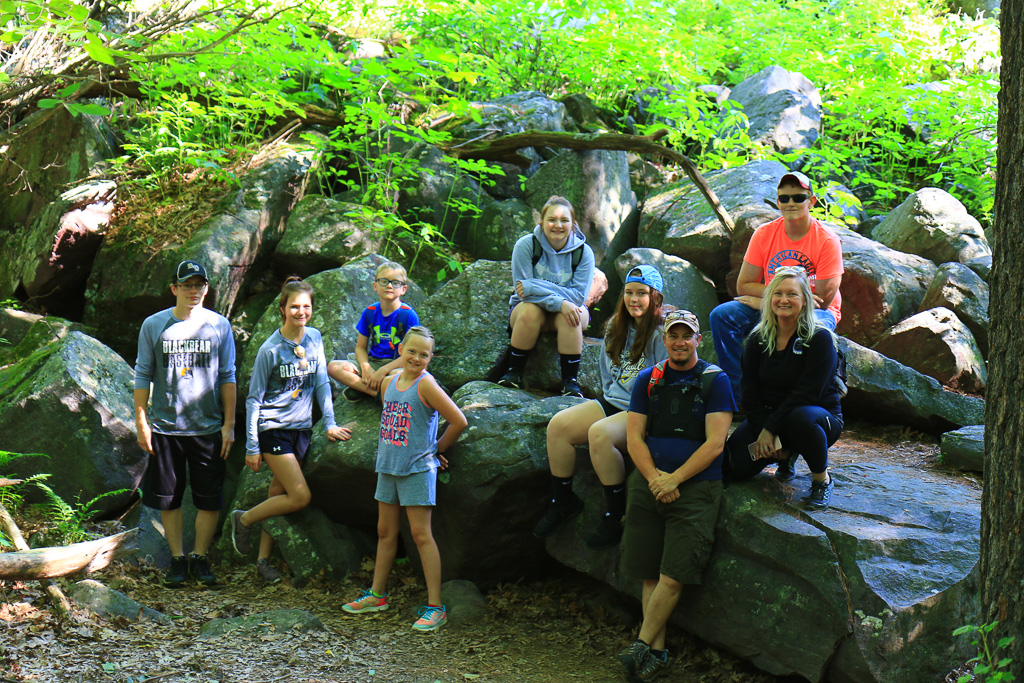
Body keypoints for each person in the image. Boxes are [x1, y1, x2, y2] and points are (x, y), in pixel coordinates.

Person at [618, 310, 735, 682]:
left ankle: (639, 644)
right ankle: (657, 652)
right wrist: (654, 478)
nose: (680, 342)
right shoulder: (647, 380)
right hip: (648, 484)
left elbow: (716, 443)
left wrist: (675, 480)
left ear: (698, 339)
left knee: (673, 574)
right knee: (649, 572)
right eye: (674, 336)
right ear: (664, 340)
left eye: (687, 336)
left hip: (696, 488)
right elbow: (634, 436)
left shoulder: (715, 382)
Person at [533, 265, 669, 550]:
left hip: (643, 410)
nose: (634, 299)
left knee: (600, 434)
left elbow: (664, 385)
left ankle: (614, 513)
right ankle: (563, 500)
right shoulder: (615, 327)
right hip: (613, 401)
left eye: (642, 293)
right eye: (629, 292)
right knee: (558, 425)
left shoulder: (661, 334)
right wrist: (609, 400)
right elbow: (607, 376)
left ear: (655, 297)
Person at [342, 326, 468, 632]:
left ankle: (435, 606)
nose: (417, 358)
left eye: (424, 354)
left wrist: (436, 449)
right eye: (412, 351)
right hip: (388, 466)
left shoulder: (428, 385)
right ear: (401, 350)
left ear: (430, 358)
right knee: (385, 531)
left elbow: (458, 420)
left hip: (416, 469)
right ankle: (376, 595)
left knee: (420, 534)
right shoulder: (389, 384)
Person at [230, 276, 352, 583]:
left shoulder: (314, 338)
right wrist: (252, 446)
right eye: (294, 306)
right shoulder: (269, 350)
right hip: (274, 429)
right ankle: (243, 519)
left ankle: (262, 562)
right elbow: (254, 399)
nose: (301, 312)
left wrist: (330, 422)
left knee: (278, 491)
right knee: (299, 496)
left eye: (306, 306)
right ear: (282, 309)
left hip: (302, 430)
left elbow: (322, 382)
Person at [134, 259, 236, 587]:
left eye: (199, 285)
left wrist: (229, 424)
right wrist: (141, 421)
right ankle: (178, 559)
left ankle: (200, 559)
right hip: (165, 427)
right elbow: (143, 373)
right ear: (174, 289)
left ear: (206, 288)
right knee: (169, 497)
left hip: (208, 427)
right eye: (187, 285)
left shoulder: (219, 325)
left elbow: (227, 376)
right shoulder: (154, 325)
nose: (194, 291)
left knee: (209, 497)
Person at [709, 171, 844, 403]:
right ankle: (738, 398)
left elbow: (822, 299)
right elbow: (743, 285)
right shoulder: (764, 234)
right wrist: (772, 301)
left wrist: (766, 300)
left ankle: (798, 402)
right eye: (784, 198)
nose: (790, 203)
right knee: (723, 315)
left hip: (815, 312)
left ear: (811, 201)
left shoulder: (827, 240)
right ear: (778, 201)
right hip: (777, 304)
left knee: (815, 330)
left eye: (798, 198)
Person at [724, 267, 843, 509]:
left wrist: (770, 429)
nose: (784, 300)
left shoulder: (819, 339)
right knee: (733, 468)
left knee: (800, 418)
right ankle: (787, 453)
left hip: (816, 419)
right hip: (770, 417)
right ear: (769, 299)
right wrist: (762, 429)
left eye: (792, 294)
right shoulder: (758, 339)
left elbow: (807, 394)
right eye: (778, 293)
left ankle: (822, 479)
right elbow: (748, 389)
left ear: (805, 300)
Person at [497, 195, 596, 398]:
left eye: (564, 220)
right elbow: (522, 293)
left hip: (570, 310)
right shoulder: (526, 246)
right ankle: (514, 373)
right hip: (531, 311)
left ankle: (570, 382)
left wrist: (534, 286)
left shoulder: (584, 253)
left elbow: (577, 297)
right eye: (552, 219)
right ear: (541, 222)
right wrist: (560, 302)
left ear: (573, 224)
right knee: (529, 310)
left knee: (573, 314)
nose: (557, 225)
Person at [327, 261, 420, 402]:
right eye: (384, 281)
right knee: (334, 367)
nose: (389, 286)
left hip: (396, 365)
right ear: (375, 286)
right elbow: (360, 347)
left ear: (403, 289)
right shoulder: (370, 312)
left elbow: (411, 355)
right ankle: (375, 393)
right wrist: (365, 368)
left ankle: (363, 387)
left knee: (397, 377)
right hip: (374, 362)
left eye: (395, 283)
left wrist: (383, 371)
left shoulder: (408, 315)